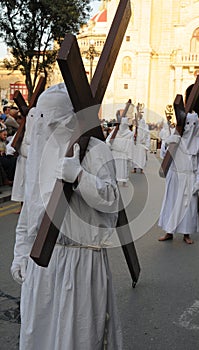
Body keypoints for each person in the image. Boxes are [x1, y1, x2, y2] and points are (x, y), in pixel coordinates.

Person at [11, 83, 123, 349]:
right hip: (43, 263)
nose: (44, 130)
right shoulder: (38, 154)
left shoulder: (94, 149)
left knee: (78, 337)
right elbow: (29, 212)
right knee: (40, 334)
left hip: (82, 263)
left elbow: (112, 201)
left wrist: (81, 177)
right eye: (40, 122)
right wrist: (20, 253)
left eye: (51, 123)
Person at [158, 112, 199, 244]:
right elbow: (165, 155)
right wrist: (166, 143)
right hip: (175, 176)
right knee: (172, 204)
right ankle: (169, 231)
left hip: (189, 177)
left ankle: (186, 233)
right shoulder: (176, 139)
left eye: (193, 124)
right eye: (187, 124)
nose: (190, 127)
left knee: (188, 206)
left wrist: (198, 181)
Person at [106, 116, 134, 186]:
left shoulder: (129, 134)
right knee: (120, 168)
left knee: (121, 168)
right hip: (117, 154)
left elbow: (130, 145)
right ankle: (120, 181)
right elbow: (108, 140)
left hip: (120, 154)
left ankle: (121, 181)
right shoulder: (115, 132)